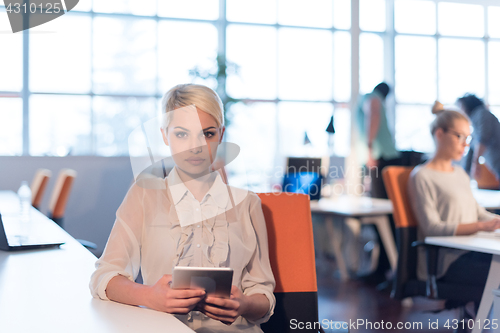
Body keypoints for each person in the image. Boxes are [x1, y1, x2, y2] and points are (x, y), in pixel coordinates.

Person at [90, 84, 275, 332]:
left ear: (220, 135)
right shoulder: (144, 195)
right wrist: (149, 296)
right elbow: (104, 277)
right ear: (165, 135)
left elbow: (263, 295)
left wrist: (244, 304)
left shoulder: (248, 204)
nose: (195, 146)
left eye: (207, 134)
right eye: (181, 134)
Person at [407, 102, 500, 309]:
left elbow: (477, 213)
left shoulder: (459, 174)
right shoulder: (422, 176)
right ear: (440, 134)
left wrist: (495, 221)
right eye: (460, 137)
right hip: (445, 263)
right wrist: (481, 226)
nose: (466, 145)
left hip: (469, 252)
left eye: (468, 138)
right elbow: (432, 228)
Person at [356, 82, 401, 199]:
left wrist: (369, 149)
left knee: (380, 198)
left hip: (380, 155)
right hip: (382, 154)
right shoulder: (373, 97)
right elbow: (374, 116)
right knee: (382, 197)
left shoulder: (372, 98)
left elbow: (373, 116)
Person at [457, 93, 500, 186]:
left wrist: (476, 163)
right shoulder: (474, 120)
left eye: (460, 107)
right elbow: (473, 147)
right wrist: (466, 172)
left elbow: (484, 138)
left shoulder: (481, 113)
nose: (460, 111)